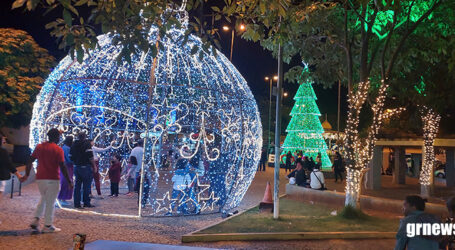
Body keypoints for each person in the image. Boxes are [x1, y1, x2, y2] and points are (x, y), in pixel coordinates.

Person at [22, 128, 73, 233]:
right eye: (59, 137)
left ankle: (36, 219)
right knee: (50, 202)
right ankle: (48, 225)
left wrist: (27, 174)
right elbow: (62, 166)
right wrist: (69, 180)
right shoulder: (58, 150)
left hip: (40, 178)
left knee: (44, 198)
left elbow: (30, 160)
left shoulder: (39, 147)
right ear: (56, 137)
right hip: (53, 178)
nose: (60, 138)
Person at [71, 132, 96, 208]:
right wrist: (94, 166)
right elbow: (90, 157)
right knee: (86, 186)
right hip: (85, 167)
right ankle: (86, 202)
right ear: (85, 137)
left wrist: (76, 162)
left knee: (77, 186)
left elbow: (70, 156)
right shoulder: (87, 144)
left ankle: (77, 203)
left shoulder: (74, 144)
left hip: (76, 167)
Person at [0, 137, 23, 216]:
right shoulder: (3, 152)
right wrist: (18, 175)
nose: (4, 141)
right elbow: (9, 164)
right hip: (1, 177)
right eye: (3, 140)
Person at [58, 136, 73, 205]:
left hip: (65, 166)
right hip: (67, 166)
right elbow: (69, 158)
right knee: (66, 182)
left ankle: (62, 198)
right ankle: (62, 198)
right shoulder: (67, 148)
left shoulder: (64, 147)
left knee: (65, 182)